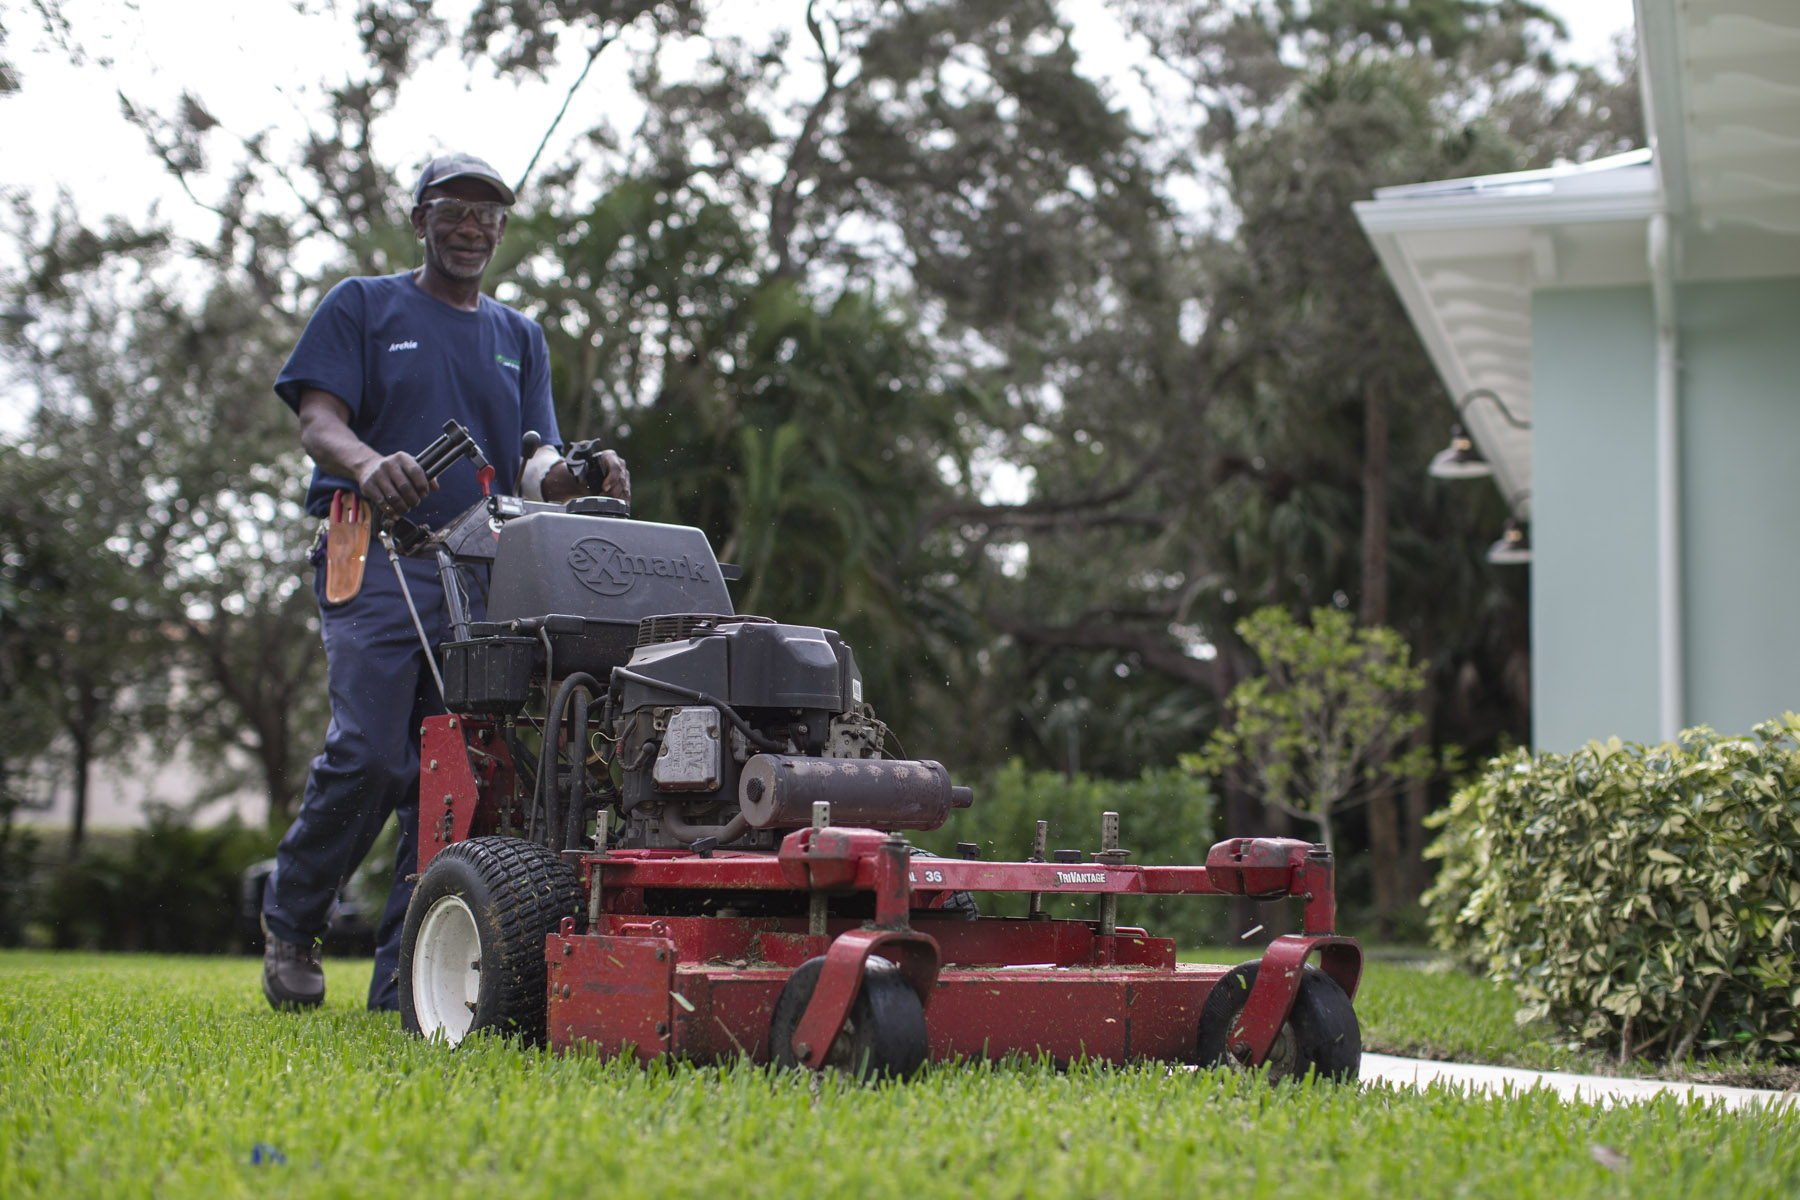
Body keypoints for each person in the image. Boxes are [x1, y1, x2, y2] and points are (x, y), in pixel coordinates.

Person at [261, 151, 628, 1012]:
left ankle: (402, 980)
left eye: (488, 216)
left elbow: (533, 464)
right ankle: (293, 921)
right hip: (373, 553)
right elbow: (320, 418)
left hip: (482, 568)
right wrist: (368, 462)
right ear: (420, 217)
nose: (471, 228)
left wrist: (581, 471)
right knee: (370, 754)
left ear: (502, 230)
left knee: (454, 773)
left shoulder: (518, 336)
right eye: (454, 212)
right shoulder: (363, 305)